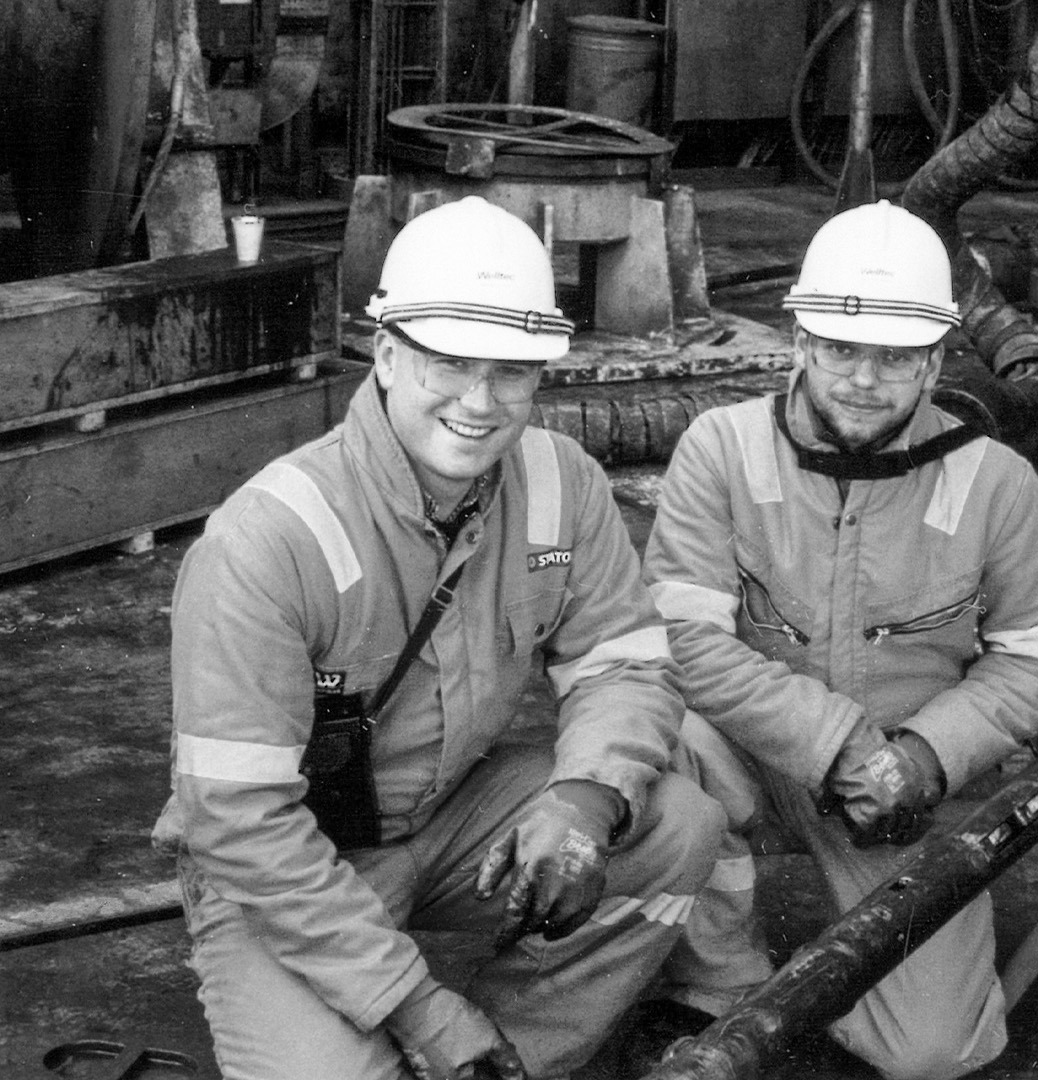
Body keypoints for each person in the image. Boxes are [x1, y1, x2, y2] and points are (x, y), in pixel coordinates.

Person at [153, 196, 723, 1080]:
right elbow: (240, 822)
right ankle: (435, 1042)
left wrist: (585, 799)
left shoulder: (562, 481)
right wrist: (422, 1009)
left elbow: (624, 664)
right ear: (385, 353)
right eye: (450, 362)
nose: (480, 401)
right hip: (287, 864)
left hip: (451, 817)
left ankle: (510, 1057)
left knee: (674, 823)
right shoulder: (267, 540)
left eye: (511, 370)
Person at [642, 200, 1038, 1080]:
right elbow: (684, 640)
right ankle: (720, 977)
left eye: (894, 355)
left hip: (906, 784)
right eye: (841, 348)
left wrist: (924, 757)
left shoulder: (998, 483)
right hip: (756, 751)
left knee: (933, 1054)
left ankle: (850, 987)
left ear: (936, 359)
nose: (862, 378)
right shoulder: (719, 450)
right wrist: (837, 743)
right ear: (800, 342)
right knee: (666, 744)